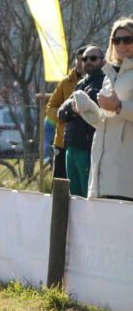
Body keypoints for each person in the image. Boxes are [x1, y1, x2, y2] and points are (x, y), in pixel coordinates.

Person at [74, 17, 133, 200]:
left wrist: (119, 106)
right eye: (116, 40)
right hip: (102, 169)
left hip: (126, 173)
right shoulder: (109, 74)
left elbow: (117, 109)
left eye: (127, 39)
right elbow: (106, 121)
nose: (121, 45)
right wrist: (87, 108)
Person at [58, 46, 105, 197]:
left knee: (87, 195)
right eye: (85, 59)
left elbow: (89, 103)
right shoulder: (81, 83)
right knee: (74, 196)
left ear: (103, 61)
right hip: (71, 146)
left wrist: (74, 107)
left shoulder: (105, 82)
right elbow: (61, 112)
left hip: (87, 148)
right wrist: (74, 109)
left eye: (93, 58)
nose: (88, 61)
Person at [45, 46, 86, 179]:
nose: (80, 63)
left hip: (86, 143)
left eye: (84, 59)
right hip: (62, 142)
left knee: (82, 182)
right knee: (60, 181)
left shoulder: (99, 81)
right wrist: (63, 116)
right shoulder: (65, 82)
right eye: (77, 59)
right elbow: (50, 107)